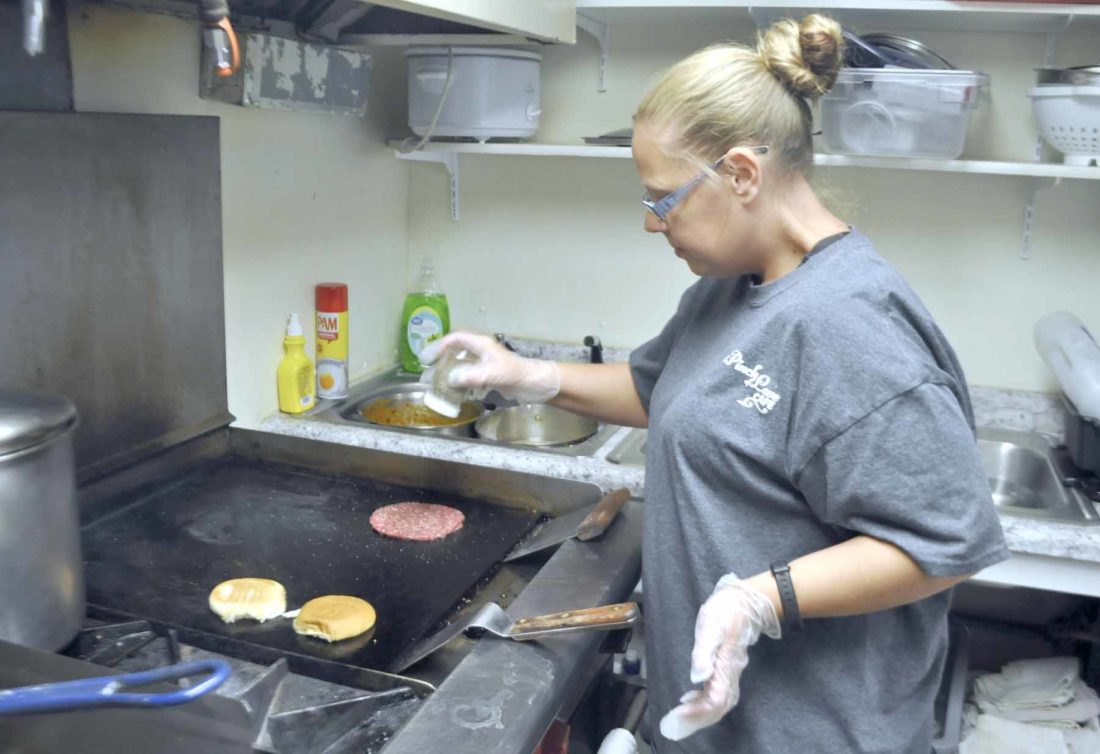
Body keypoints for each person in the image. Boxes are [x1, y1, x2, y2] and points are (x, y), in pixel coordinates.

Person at [420, 13, 1009, 753]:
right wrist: (527, 376)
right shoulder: (732, 285)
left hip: (813, 735)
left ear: (740, 175)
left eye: (661, 199)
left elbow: (942, 542)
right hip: (719, 726)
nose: (652, 223)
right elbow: (663, 391)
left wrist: (761, 599)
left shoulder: (849, 324)